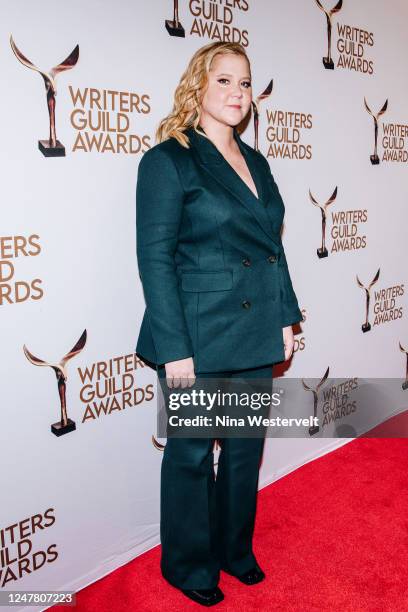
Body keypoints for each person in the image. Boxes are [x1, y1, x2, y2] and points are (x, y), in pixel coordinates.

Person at [135, 41, 303, 607]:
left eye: (245, 83)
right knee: (188, 454)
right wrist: (175, 349)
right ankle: (187, 564)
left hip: (255, 331)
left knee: (242, 450)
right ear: (199, 87)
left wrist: (284, 317)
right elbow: (155, 259)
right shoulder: (170, 159)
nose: (237, 93)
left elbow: (271, 250)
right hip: (197, 333)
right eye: (225, 80)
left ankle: (234, 549)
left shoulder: (257, 162)